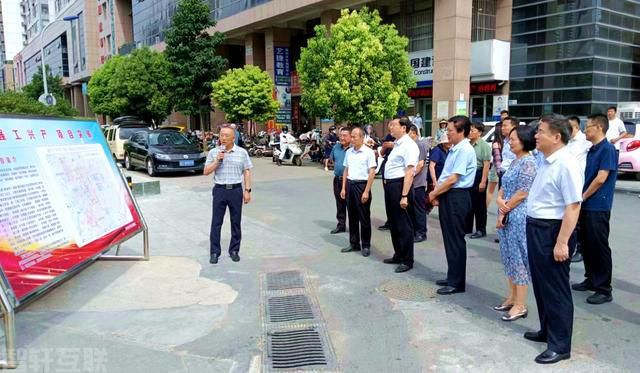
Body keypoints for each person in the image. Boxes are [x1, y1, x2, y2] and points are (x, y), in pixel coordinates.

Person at [524, 113, 583, 365]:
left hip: (553, 231)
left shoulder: (566, 163)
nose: (536, 135)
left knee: (556, 288)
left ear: (557, 137)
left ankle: (560, 345)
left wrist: (562, 242)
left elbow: (573, 206)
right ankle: (547, 331)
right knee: (541, 284)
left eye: (541, 132)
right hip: (537, 228)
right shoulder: (547, 160)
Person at [428, 116, 477, 295]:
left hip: (458, 197)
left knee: (455, 240)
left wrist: (434, 193)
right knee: (449, 239)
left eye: (450, 130)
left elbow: (454, 178)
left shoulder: (464, 150)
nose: (447, 133)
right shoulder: (455, 149)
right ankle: (452, 276)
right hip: (449, 195)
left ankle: (457, 283)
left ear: (461, 132)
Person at [572, 113, 618, 305]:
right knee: (587, 244)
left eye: (588, 127)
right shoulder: (591, 150)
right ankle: (591, 278)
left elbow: (601, 178)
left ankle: (604, 288)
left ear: (599, 127)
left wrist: (582, 196)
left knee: (599, 246)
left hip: (597, 204)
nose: (585, 130)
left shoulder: (607, 149)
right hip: (586, 204)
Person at [495, 125, 538, 322]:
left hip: (518, 216)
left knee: (519, 259)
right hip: (506, 212)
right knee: (508, 257)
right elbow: (504, 187)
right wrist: (500, 202)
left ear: (524, 141)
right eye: (509, 138)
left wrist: (505, 208)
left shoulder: (529, 162)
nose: (509, 142)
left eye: (513, 139)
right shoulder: (514, 162)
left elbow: (523, 192)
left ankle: (521, 304)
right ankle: (512, 297)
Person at [204, 125, 253, 264]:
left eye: (226, 136)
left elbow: (247, 171)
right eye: (221, 135)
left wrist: (247, 190)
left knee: (236, 222)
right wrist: (217, 161)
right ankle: (214, 252)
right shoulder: (214, 152)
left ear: (233, 138)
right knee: (216, 222)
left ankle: (234, 250)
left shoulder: (242, 152)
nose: (223, 138)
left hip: (236, 190)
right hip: (220, 190)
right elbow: (206, 171)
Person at [381, 117, 419, 273]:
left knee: (404, 225)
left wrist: (404, 196)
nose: (390, 127)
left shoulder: (409, 145)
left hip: (400, 186)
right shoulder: (397, 144)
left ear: (404, 128)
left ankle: (407, 259)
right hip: (391, 185)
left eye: (394, 125)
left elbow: (409, 172)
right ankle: (398, 254)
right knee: (394, 223)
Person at [340, 127, 377, 257]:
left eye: (355, 136)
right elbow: (346, 170)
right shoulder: (349, 152)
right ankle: (354, 243)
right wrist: (344, 188)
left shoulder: (368, 152)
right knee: (352, 216)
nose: (352, 138)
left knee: (364, 217)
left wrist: (366, 191)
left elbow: (372, 172)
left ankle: (366, 245)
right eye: (352, 136)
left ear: (362, 138)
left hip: (362, 186)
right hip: (350, 185)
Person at [566, 116, 591, 263]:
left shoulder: (584, 142)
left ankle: (579, 250)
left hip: (579, 185)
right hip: (567, 184)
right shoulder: (567, 142)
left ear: (576, 128)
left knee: (578, 221)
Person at [466, 122, 491, 239]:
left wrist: (483, 181)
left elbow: (486, 164)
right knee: (469, 203)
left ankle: (481, 229)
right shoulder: (468, 144)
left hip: (479, 174)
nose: (470, 132)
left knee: (479, 205)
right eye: (469, 130)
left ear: (479, 132)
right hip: (468, 175)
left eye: (472, 130)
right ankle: (467, 227)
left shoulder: (484, 145)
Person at [329, 128, 352, 234]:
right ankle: (341, 225)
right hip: (337, 179)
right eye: (340, 135)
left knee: (351, 204)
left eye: (345, 136)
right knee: (340, 203)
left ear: (351, 136)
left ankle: (353, 227)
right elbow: (332, 160)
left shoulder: (353, 149)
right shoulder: (336, 147)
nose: (342, 138)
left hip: (350, 181)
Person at [408, 124, 429, 242]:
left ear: (414, 133)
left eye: (408, 133)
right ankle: (415, 230)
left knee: (419, 208)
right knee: (412, 209)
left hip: (418, 182)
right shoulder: (411, 145)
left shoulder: (419, 145)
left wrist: (410, 175)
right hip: (411, 182)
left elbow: (420, 164)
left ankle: (421, 232)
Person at [376, 124, 396, 231]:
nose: (391, 130)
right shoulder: (389, 137)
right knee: (388, 197)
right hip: (387, 167)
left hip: (398, 174)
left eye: (393, 127)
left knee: (397, 199)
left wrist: (394, 145)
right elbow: (381, 153)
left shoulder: (405, 140)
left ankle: (397, 223)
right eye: (389, 129)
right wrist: (384, 147)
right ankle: (390, 221)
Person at [487, 122, 504, 208]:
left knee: (490, 191)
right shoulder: (506, 142)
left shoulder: (496, 143)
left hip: (496, 168)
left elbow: (496, 158)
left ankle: (485, 208)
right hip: (503, 169)